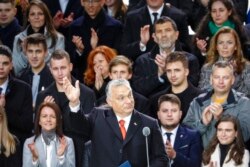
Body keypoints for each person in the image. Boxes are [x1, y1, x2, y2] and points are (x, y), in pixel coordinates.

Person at [77, 79, 168, 167]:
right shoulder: (97, 116)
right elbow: (78, 127)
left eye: (130, 95)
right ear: (110, 102)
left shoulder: (149, 124)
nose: (129, 101)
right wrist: (74, 104)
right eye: (121, 98)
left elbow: (161, 159)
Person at [35, 49, 96, 167]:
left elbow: (89, 129)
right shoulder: (43, 96)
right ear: (50, 70)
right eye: (55, 69)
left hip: (80, 153)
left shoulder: (87, 94)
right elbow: (37, 130)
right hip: (51, 155)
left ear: (71, 67)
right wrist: (46, 114)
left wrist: (75, 103)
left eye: (63, 68)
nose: (60, 73)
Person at [183, 61, 250, 148]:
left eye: (225, 77)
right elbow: (185, 136)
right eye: (217, 77)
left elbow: (244, 135)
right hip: (201, 158)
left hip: (230, 158)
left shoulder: (244, 103)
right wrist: (203, 123)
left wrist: (221, 118)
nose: (221, 81)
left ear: (232, 80)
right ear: (211, 79)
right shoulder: (197, 102)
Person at [132, 16, 199, 97]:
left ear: (176, 34)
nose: (164, 35)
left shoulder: (190, 60)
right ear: (154, 37)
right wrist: (159, 76)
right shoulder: (143, 61)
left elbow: (192, 87)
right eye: (159, 31)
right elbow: (138, 90)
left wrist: (166, 72)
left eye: (168, 30)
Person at [67, 0, 123, 80]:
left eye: (94, 1)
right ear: (82, 2)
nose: (90, 5)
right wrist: (79, 51)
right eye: (87, 1)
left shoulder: (115, 26)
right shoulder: (75, 27)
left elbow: (117, 57)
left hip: (108, 80)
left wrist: (97, 47)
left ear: (102, 2)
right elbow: (71, 62)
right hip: (83, 80)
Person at [121, 0, 189, 61]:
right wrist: (142, 43)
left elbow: (186, 47)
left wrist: (169, 46)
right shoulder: (132, 18)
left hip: (173, 66)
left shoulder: (179, 16)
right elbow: (125, 50)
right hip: (143, 69)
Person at [12, 0, 65, 76]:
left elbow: (58, 68)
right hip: (24, 83)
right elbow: (16, 71)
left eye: (40, 14)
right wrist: (24, 54)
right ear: (28, 18)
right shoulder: (18, 39)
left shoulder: (58, 38)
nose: (36, 17)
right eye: (32, 14)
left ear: (45, 17)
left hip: (48, 83)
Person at [0, 45, 33, 158]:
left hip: (15, 152)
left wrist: (4, 109)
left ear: (11, 65)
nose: (1, 67)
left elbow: (27, 125)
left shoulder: (24, 89)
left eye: (5, 63)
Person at [198, 27, 250, 97]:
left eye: (229, 43)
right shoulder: (207, 68)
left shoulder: (246, 66)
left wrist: (234, 75)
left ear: (236, 46)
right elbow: (203, 93)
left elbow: (247, 94)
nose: (225, 47)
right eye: (221, 43)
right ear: (216, 46)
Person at [150, 51, 203, 119]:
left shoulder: (201, 98)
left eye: (177, 70)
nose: (173, 75)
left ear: (186, 72)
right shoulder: (156, 100)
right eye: (169, 71)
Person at [194, 0, 248, 65]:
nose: (217, 14)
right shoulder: (204, 29)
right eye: (214, 11)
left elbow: (244, 53)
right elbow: (198, 61)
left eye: (221, 10)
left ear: (229, 12)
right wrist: (202, 51)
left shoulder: (237, 28)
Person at [23, 102, 75, 167]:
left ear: (58, 121)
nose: (48, 119)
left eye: (53, 117)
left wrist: (61, 157)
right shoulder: (29, 142)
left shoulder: (68, 142)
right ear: (39, 121)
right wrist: (35, 159)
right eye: (44, 116)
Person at [157, 94, 203, 167]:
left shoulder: (193, 136)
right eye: (165, 111)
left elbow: (195, 165)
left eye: (174, 111)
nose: (169, 114)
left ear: (180, 114)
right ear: (159, 114)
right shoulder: (150, 135)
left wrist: (175, 155)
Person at [19, 33, 54, 106]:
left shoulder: (53, 78)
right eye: (30, 51)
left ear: (46, 52)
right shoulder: (21, 78)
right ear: (26, 53)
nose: (34, 56)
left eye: (38, 51)